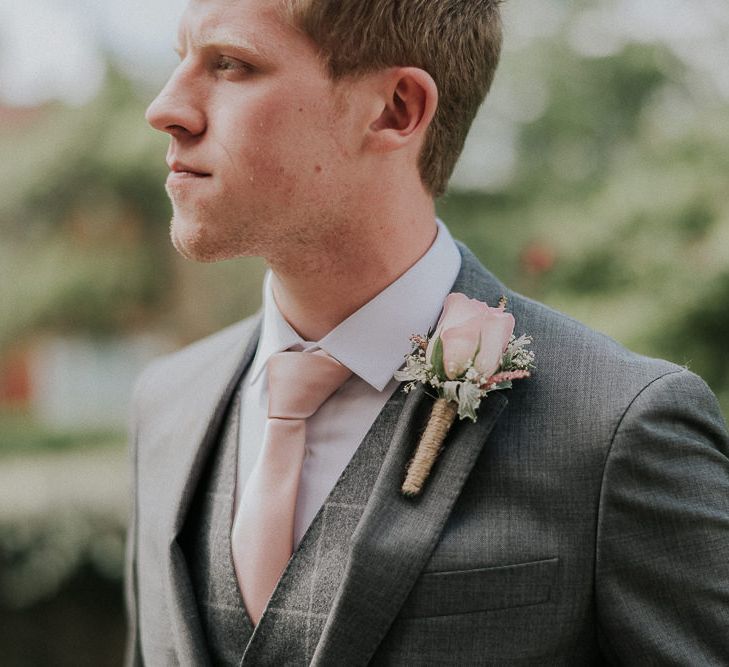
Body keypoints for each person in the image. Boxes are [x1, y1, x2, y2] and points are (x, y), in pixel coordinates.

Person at [126, 0, 729, 664]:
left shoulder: (619, 430)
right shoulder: (165, 406)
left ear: (395, 109)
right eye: (178, 59)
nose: (166, 108)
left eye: (231, 64)